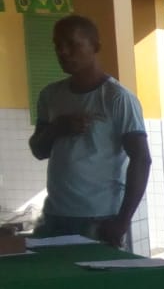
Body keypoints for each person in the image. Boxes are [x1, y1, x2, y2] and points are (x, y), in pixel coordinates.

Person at [27, 15, 151, 248]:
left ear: (95, 46)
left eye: (72, 44)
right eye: (58, 45)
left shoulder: (117, 98)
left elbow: (142, 159)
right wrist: (57, 128)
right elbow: (39, 150)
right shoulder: (50, 95)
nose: (63, 52)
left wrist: (123, 220)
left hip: (100, 218)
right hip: (54, 215)